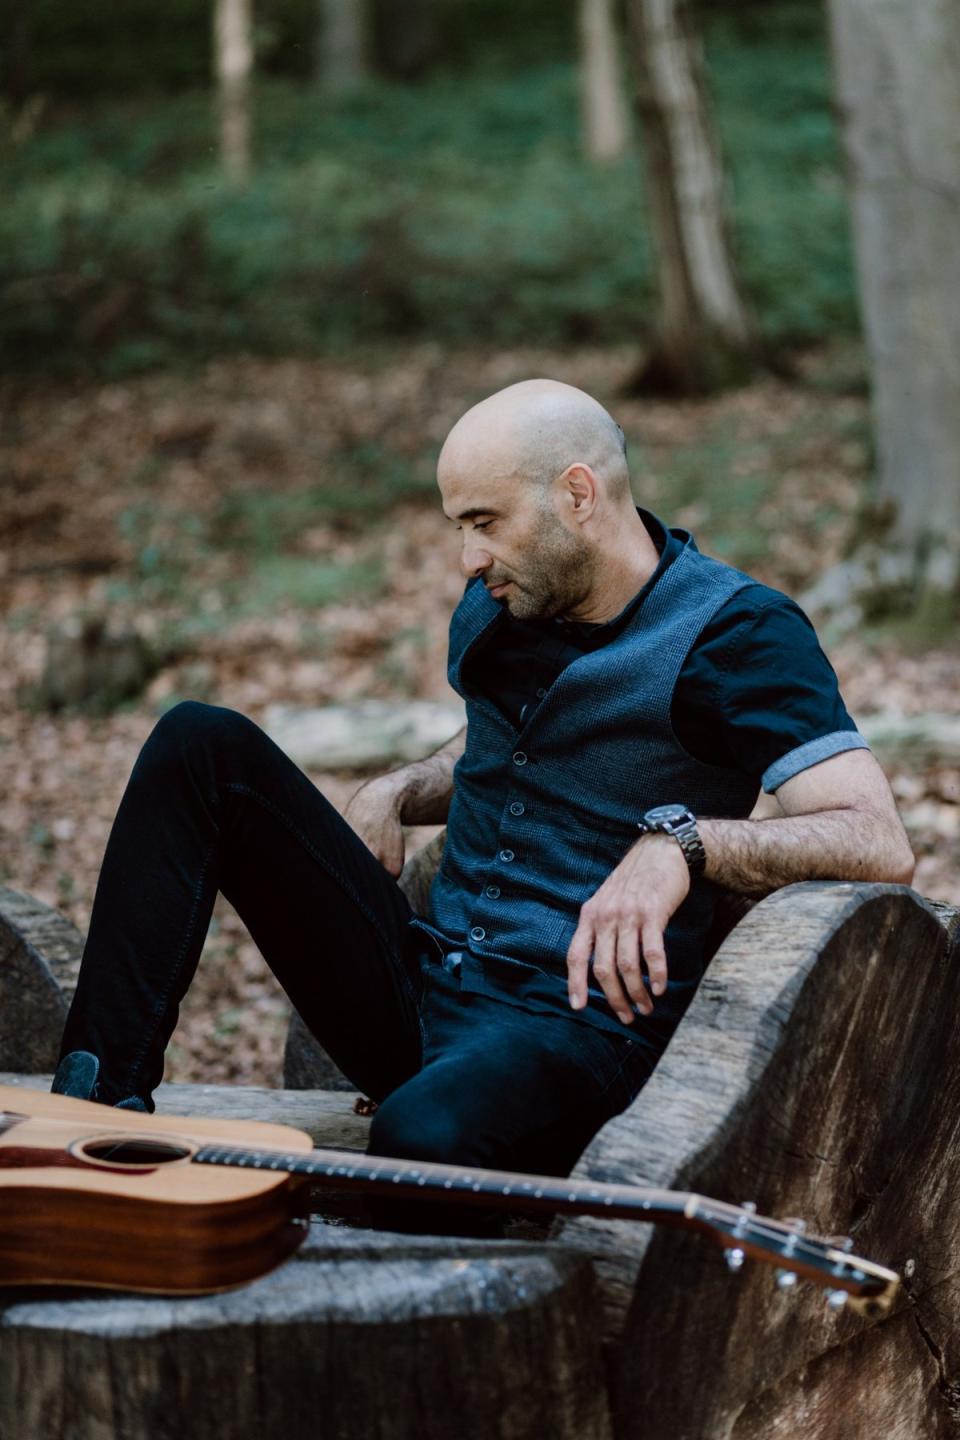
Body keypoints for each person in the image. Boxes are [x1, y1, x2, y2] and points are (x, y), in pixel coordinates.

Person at [52, 379, 914, 1229]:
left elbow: (875, 838)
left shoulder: (740, 634)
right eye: (459, 527)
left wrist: (680, 844)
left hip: (575, 1032)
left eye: (485, 523)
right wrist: (400, 786)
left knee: (421, 1138)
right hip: (426, 983)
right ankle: (93, 1110)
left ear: (578, 495)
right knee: (200, 743)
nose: (469, 559)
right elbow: (503, 750)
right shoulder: (512, 595)